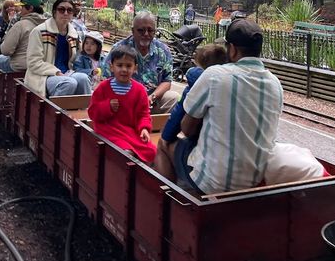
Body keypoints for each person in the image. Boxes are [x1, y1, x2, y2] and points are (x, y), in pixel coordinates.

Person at [167, 19, 283, 194]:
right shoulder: (275, 84)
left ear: (233, 49)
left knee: (164, 144)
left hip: (211, 183)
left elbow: (187, 128)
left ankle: (171, 201)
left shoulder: (215, 76)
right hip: (255, 182)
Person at [154, 44, 228, 181]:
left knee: (162, 144)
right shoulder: (230, 82)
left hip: (203, 149)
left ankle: (167, 194)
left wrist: (166, 136)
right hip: (223, 147)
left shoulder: (197, 83)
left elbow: (179, 116)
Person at [88, 46, 156, 163]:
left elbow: (143, 114)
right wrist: (107, 106)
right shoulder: (103, 87)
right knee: (125, 151)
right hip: (109, 129)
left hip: (130, 131)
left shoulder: (140, 90)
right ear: (112, 67)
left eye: (128, 66)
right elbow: (92, 112)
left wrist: (144, 128)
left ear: (135, 68)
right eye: (119, 65)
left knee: (152, 151)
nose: (124, 69)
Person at [102, 11, 177, 113]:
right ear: (133, 31)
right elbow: (106, 78)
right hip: (123, 98)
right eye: (141, 30)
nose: (146, 34)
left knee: (173, 98)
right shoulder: (119, 48)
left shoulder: (163, 50)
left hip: (152, 100)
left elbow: (167, 81)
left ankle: (159, 127)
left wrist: (151, 97)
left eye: (150, 30)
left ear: (154, 32)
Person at [24, 0, 91, 97]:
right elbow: (33, 62)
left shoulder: (74, 35)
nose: (65, 13)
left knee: (84, 78)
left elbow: (78, 59)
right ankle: (53, 112)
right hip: (44, 75)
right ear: (54, 12)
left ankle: (85, 110)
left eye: (69, 10)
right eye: (61, 9)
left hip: (67, 73)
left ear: (73, 14)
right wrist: (56, 72)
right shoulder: (39, 31)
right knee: (69, 83)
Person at [0, 0, 46, 73]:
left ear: (30, 8)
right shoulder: (48, 25)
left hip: (21, 66)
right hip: (41, 66)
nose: (20, 9)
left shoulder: (20, 25)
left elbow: (6, 51)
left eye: (23, 7)